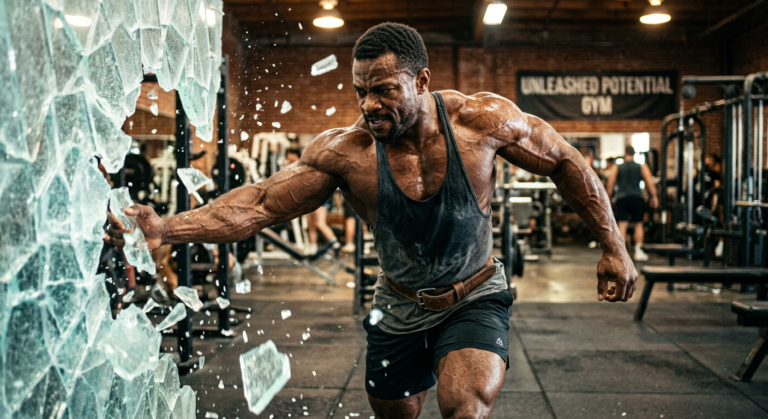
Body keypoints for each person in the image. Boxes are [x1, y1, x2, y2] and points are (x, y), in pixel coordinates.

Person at [106, 23, 636, 419]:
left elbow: (565, 159)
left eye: (384, 89)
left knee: (464, 406)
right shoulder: (348, 151)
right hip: (398, 303)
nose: (369, 104)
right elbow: (263, 203)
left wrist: (613, 245)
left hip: (474, 293)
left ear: (422, 80)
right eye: (360, 90)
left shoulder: (481, 122)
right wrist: (166, 228)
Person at [606, 145, 659, 261]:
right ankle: (638, 251)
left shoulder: (617, 167)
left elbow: (610, 184)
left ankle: (621, 253)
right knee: (638, 224)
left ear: (625, 154)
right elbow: (650, 182)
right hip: (636, 198)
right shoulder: (641, 166)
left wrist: (608, 198)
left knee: (622, 224)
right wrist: (654, 197)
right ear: (634, 154)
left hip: (622, 198)